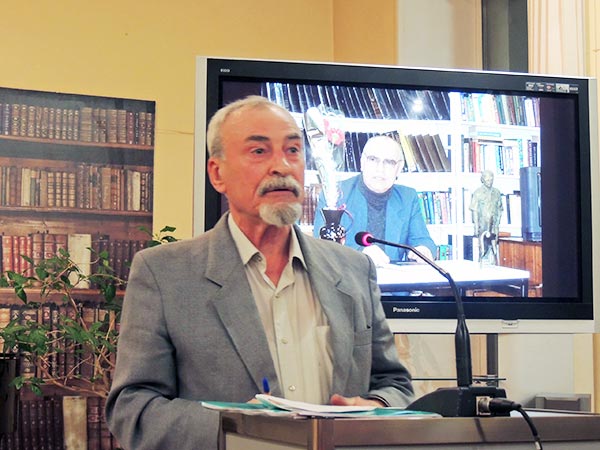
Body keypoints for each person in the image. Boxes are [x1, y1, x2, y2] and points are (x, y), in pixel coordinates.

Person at [105, 96, 414, 450]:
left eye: (293, 150)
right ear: (217, 174)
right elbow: (133, 410)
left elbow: (395, 386)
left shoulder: (354, 269)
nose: (281, 166)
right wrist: (235, 429)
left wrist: (376, 408)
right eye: (259, 151)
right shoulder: (164, 274)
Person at [313, 135, 437, 266]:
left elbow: (423, 240)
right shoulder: (335, 194)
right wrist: (360, 255)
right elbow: (321, 247)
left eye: (389, 162)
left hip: (393, 278)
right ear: (362, 163)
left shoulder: (408, 198)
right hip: (347, 276)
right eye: (373, 159)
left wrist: (424, 249)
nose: (380, 169)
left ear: (399, 168)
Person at [469, 170, 503, 265]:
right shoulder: (477, 193)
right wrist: (476, 227)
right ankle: (481, 263)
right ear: (482, 180)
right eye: (487, 180)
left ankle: (495, 264)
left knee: (494, 248)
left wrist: (498, 222)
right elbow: (474, 210)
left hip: (494, 224)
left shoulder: (497, 192)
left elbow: (500, 208)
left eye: (491, 179)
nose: (490, 182)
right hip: (483, 224)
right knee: (483, 248)